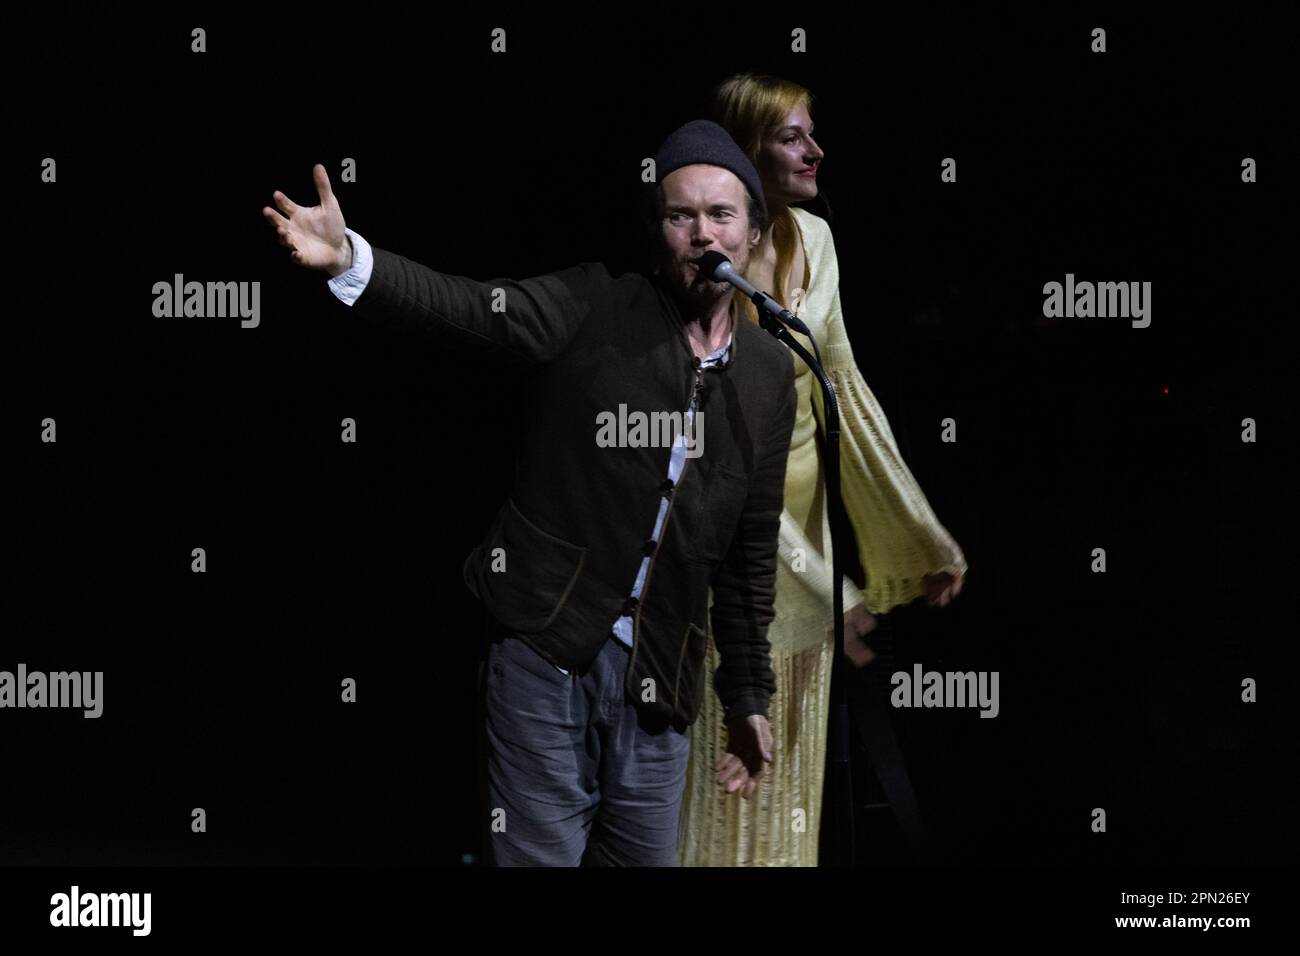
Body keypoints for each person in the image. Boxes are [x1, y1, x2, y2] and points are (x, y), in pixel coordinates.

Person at [262, 120, 797, 866]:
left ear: (753, 233)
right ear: (659, 231)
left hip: (659, 682)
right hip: (548, 645)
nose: (702, 234)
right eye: (681, 216)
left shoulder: (771, 376)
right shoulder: (597, 305)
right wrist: (353, 260)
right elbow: (470, 309)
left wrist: (748, 698)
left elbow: (747, 559)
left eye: (720, 215)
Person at [678, 73, 968, 867]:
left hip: (805, 557)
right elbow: (725, 458)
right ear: (746, 153)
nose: (816, 150)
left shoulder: (819, 239)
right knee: (722, 784)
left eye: (813, 132)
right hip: (731, 567)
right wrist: (825, 581)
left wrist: (917, 535)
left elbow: (844, 391)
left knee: (789, 799)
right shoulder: (713, 265)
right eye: (792, 137)